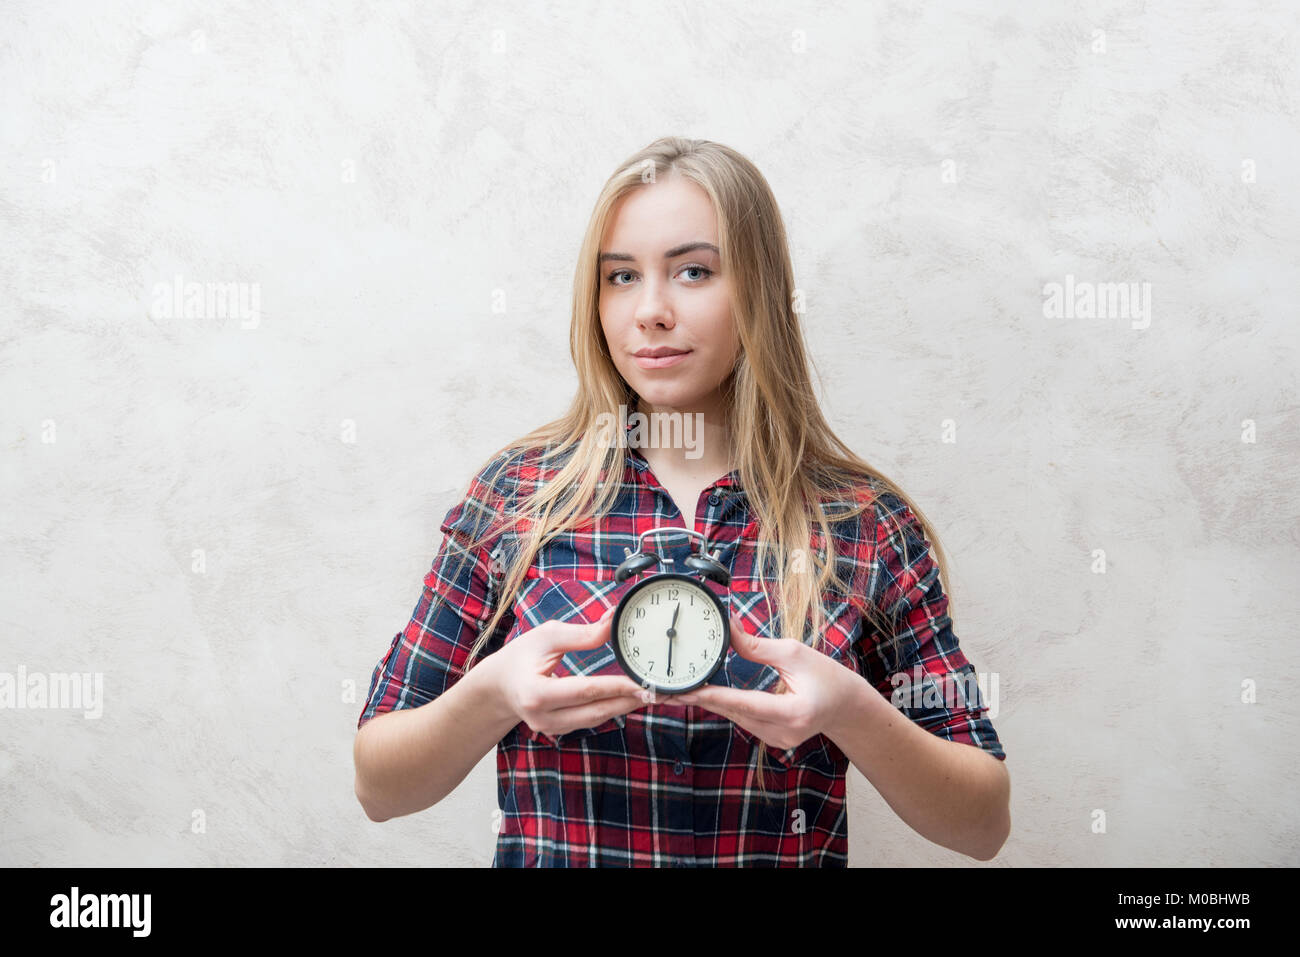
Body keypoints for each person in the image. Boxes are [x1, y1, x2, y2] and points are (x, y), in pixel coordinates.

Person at [352, 136, 1010, 867]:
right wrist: (495, 695)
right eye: (622, 277)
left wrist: (851, 709)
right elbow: (379, 783)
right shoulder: (519, 498)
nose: (651, 311)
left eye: (693, 271)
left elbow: (982, 823)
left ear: (759, 289)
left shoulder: (862, 522)